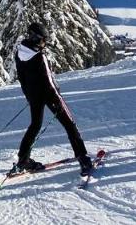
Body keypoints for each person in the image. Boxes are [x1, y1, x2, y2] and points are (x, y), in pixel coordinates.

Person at [12, 21, 94, 177]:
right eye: (43, 40)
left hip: (34, 95)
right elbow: (49, 81)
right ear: (36, 38)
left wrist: (29, 95)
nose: (45, 43)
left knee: (35, 125)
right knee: (70, 124)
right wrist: (58, 96)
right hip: (50, 96)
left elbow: (21, 78)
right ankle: (83, 158)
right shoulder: (39, 56)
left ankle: (23, 160)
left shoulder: (19, 52)